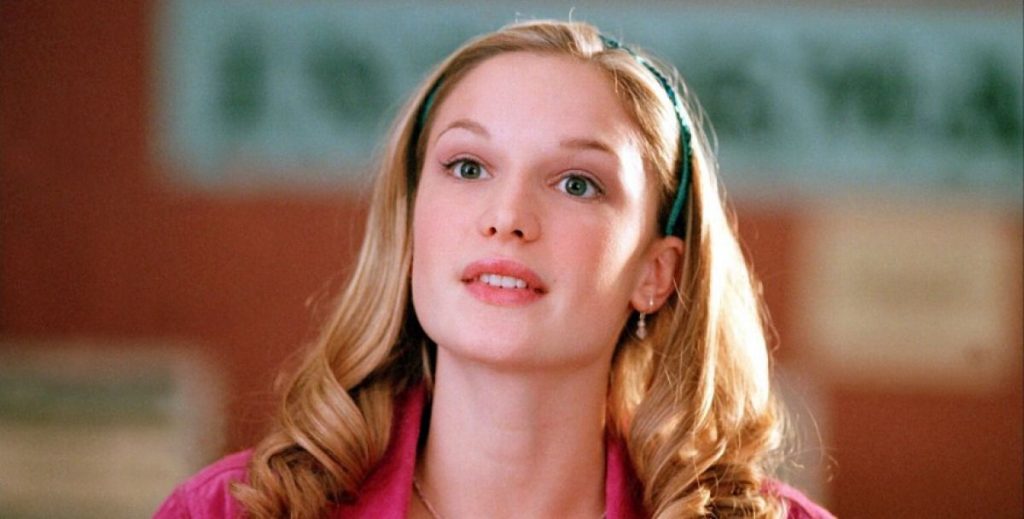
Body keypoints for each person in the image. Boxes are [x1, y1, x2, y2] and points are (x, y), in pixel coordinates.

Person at [156, 19, 834, 519]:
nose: (507, 217)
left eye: (576, 183)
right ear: (410, 226)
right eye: (468, 167)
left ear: (655, 273)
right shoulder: (226, 511)